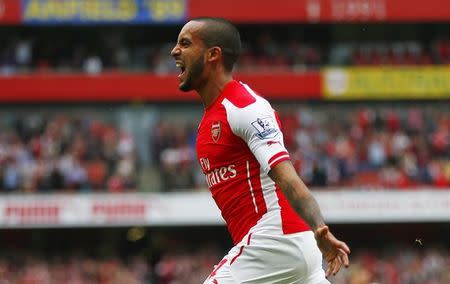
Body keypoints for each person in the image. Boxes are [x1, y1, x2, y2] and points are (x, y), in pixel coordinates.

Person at [171, 17, 350, 284]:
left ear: (213, 55)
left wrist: (319, 228)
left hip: (276, 238)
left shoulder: (244, 107)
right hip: (291, 248)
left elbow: (286, 176)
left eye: (185, 44)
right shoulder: (212, 116)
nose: (175, 51)